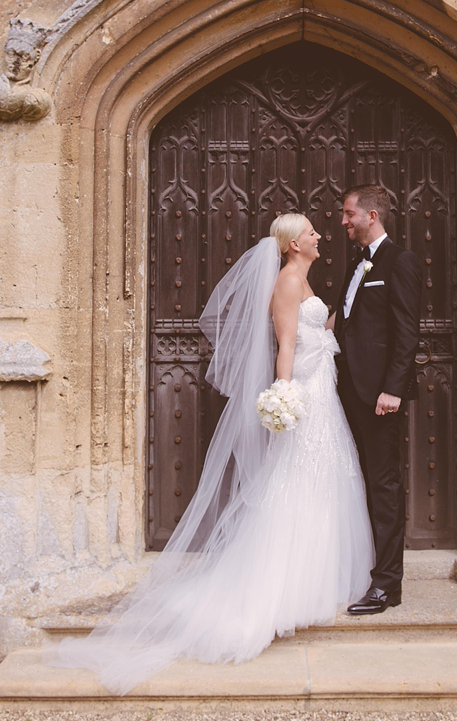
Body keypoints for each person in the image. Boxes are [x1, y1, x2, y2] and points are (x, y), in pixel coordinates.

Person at [50, 213, 373, 695]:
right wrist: (284, 397)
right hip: (306, 393)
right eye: (310, 232)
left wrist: (352, 302)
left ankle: (316, 583)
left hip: (323, 390)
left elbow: (318, 331)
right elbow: (286, 345)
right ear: (291, 244)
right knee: (297, 482)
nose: (318, 235)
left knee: (322, 480)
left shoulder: (303, 279)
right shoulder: (287, 282)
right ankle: (278, 591)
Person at [332, 185, 422, 615]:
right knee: (358, 482)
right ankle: (359, 570)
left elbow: (406, 332)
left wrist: (393, 389)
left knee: (384, 486)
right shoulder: (358, 263)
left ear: (371, 214)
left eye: (349, 214)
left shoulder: (399, 261)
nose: (343, 221)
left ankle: (387, 586)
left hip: (379, 396)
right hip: (348, 392)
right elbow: (348, 322)